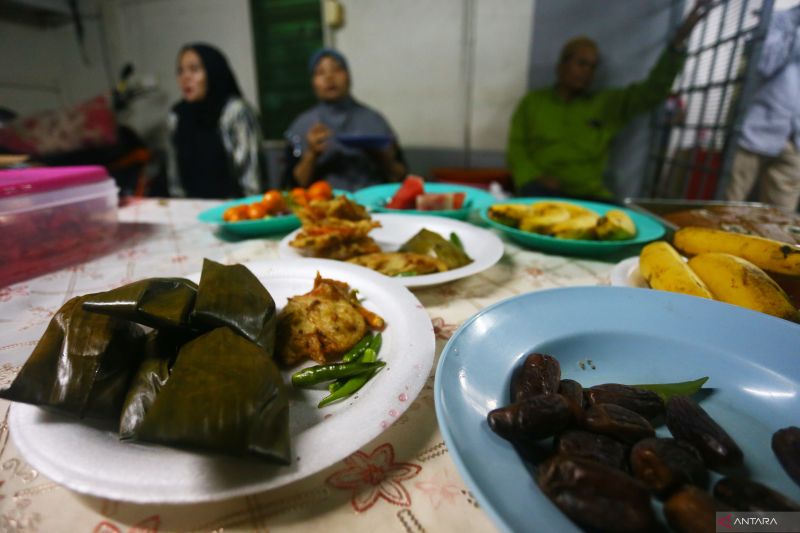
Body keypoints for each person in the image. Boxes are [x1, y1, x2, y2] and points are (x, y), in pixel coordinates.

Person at [507, 1, 711, 200]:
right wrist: (532, 179)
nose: (587, 72)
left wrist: (678, 42)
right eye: (581, 63)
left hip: (590, 196)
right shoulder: (532, 103)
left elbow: (652, 92)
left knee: (626, 226)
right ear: (562, 65)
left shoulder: (606, 104)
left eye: (592, 67)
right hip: (541, 191)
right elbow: (517, 148)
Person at [284, 48, 407, 192]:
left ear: (348, 76)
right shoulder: (302, 125)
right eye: (320, 72)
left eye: (337, 69)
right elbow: (295, 185)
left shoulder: (374, 120)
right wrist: (312, 154)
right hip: (323, 206)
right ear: (313, 82)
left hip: (372, 202)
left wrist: (381, 156)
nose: (329, 77)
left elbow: (401, 178)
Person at [724, 4, 800, 211]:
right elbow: (763, 64)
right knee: (728, 208)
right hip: (756, 128)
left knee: (782, 219)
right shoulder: (778, 20)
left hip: (795, 139)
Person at [168, 43, 265, 198]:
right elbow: (175, 180)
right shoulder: (177, 115)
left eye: (194, 69)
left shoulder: (235, 112)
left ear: (212, 72)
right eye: (180, 71)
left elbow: (252, 182)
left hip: (233, 211)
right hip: (191, 211)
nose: (185, 77)